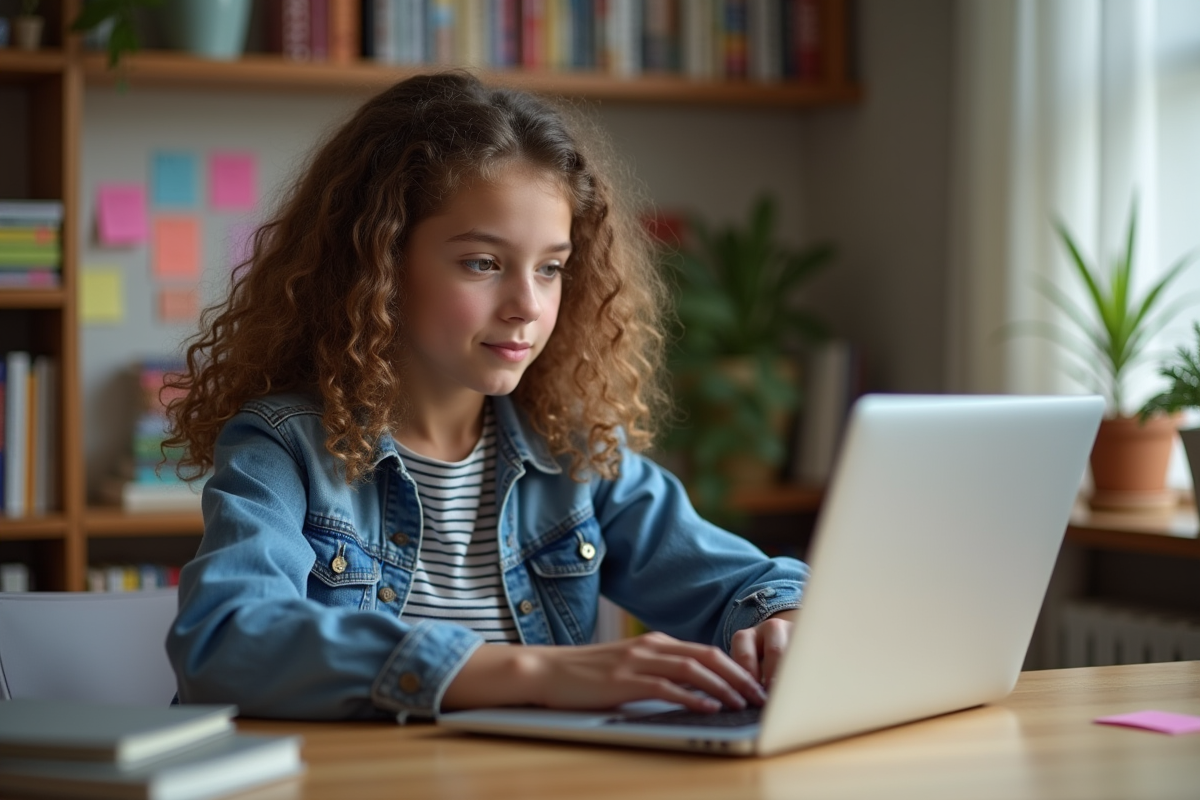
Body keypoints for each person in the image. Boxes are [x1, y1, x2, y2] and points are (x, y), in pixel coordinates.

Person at [164, 72, 810, 721]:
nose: (527, 306)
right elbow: (224, 643)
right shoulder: (283, 445)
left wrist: (782, 616)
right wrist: (533, 672)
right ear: (380, 265)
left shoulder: (576, 457)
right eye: (483, 263)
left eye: (551, 267)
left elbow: (749, 585)